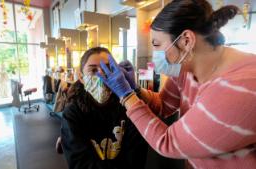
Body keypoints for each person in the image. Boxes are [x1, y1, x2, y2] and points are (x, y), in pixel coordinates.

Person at [97, 1, 256, 169]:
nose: (154, 55)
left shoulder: (239, 88)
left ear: (186, 41)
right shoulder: (184, 67)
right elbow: (163, 105)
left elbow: (168, 142)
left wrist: (127, 96)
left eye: (157, 45)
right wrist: (136, 90)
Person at [61, 47, 148, 169]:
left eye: (107, 68)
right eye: (93, 70)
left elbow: (136, 158)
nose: (101, 74)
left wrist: (134, 92)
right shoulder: (73, 113)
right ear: (81, 77)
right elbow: (80, 163)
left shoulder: (129, 108)